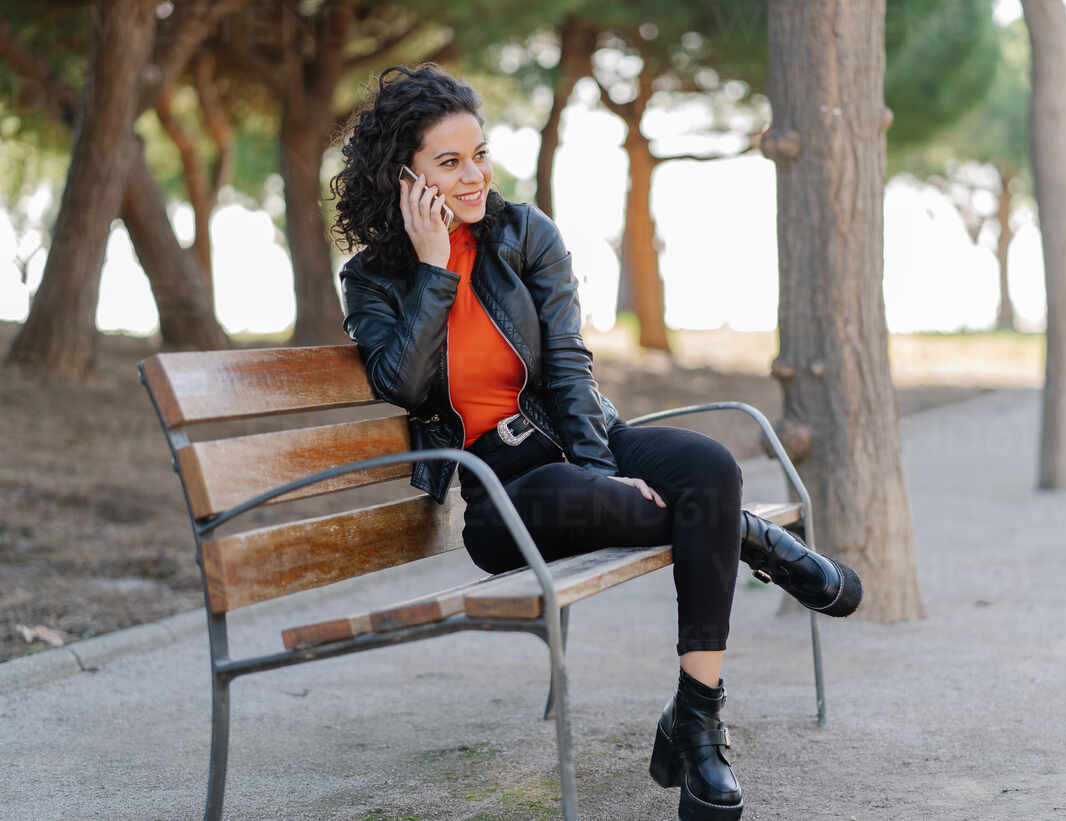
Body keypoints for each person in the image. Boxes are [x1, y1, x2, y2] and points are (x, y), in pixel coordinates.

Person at [329, 64, 862, 821]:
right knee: (681, 505)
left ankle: (696, 715)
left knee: (709, 465)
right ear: (404, 176)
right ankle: (746, 537)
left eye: (479, 153)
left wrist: (601, 470)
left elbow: (572, 370)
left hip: (581, 445)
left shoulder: (523, 235)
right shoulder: (374, 280)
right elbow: (403, 384)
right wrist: (434, 268)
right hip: (502, 495)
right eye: (448, 163)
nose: (475, 175)